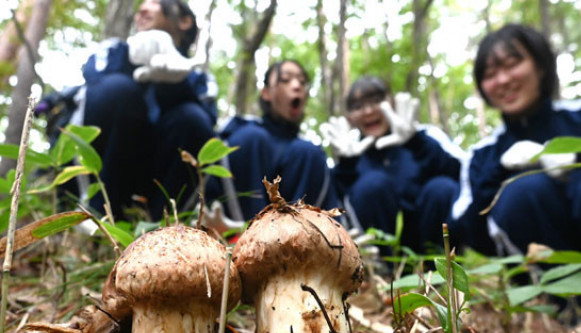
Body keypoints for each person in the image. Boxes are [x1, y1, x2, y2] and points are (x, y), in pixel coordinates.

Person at [450, 23, 581, 276]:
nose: (503, 80)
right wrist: (499, 171)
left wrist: (579, 156)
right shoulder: (482, 156)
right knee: (522, 192)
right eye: (490, 74)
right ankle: (566, 303)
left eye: (512, 64)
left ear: (541, 65)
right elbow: (465, 227)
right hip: (538, 283)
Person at [62, 0, 217, 220]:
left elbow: (207, 128)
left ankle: (163, 227)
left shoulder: (199, 79)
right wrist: (132, 64)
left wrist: (175, 84)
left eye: (155, 2)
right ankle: (93, 215)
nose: (142, 10)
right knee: (118, 89)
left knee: (192, 118)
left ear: (184, 21)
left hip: (155, 174)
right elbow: (95, 85)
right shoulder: (115, 50)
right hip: (104, 163)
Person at [321, 76, 466, 253]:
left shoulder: (426, 136)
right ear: (350, 118)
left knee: (441, 188)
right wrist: (346, 165)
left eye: (376, 101)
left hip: (429, 238)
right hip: (382, 251)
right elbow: (334, 206)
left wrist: (417, 143)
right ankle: (381, 270)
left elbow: (463, 176)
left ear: (392, 103)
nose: (368, 111)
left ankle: (445, 269)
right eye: (358, 107)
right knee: (372, 184)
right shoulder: (349, 154)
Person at [205, 60, 339, 221]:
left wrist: (347, 164)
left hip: (292, 241)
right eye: (286, 80)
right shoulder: (244, 132)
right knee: (251, 137)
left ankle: (299, 237)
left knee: (309, 152)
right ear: (266, 93)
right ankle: (248, 234)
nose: (297, 86)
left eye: (302, 82)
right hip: (233, 230)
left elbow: (332, 202)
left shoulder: (306, 154)